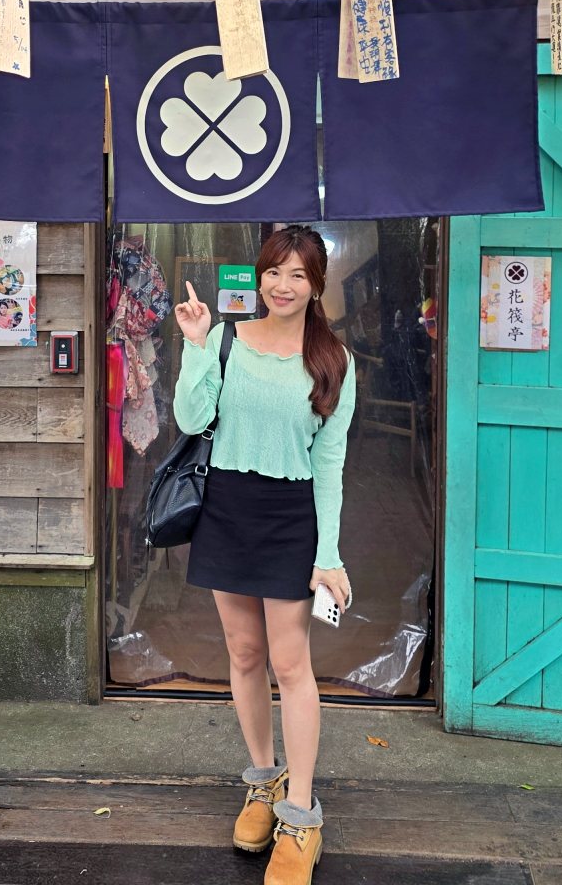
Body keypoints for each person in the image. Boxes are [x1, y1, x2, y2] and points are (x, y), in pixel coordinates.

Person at [172, 225, 355, 885]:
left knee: (290, 661)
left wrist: (327, 555)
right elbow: (192, 421)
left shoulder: (333, 359)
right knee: (244, 653)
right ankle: (262, 782)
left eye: (298, 275)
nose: (283, 285)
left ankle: (302, 815)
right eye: (273, 271)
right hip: (226, 509)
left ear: (316, 286)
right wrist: (194, 347)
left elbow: (330, 464)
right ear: (259, 276)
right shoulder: (225, 340)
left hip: (290, 518)